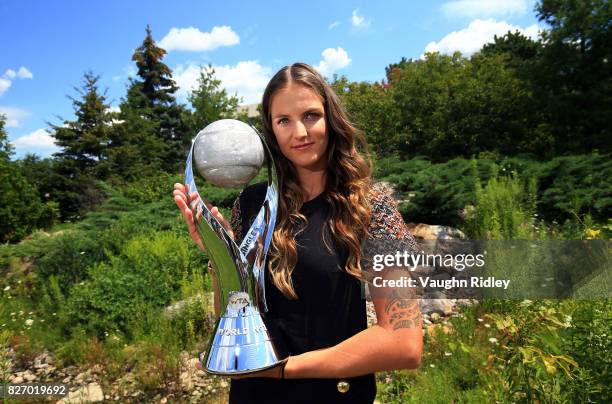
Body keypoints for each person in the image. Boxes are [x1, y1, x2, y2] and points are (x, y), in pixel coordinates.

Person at [173, 62, 422, 403]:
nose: (299, 133)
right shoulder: (250, 204)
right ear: (271, 130)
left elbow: (403, 343)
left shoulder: (369, 206)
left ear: (330, 118)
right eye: (284, 121)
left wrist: (283, 369)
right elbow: (234, 316)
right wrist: (223, 255)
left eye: (310, 116)